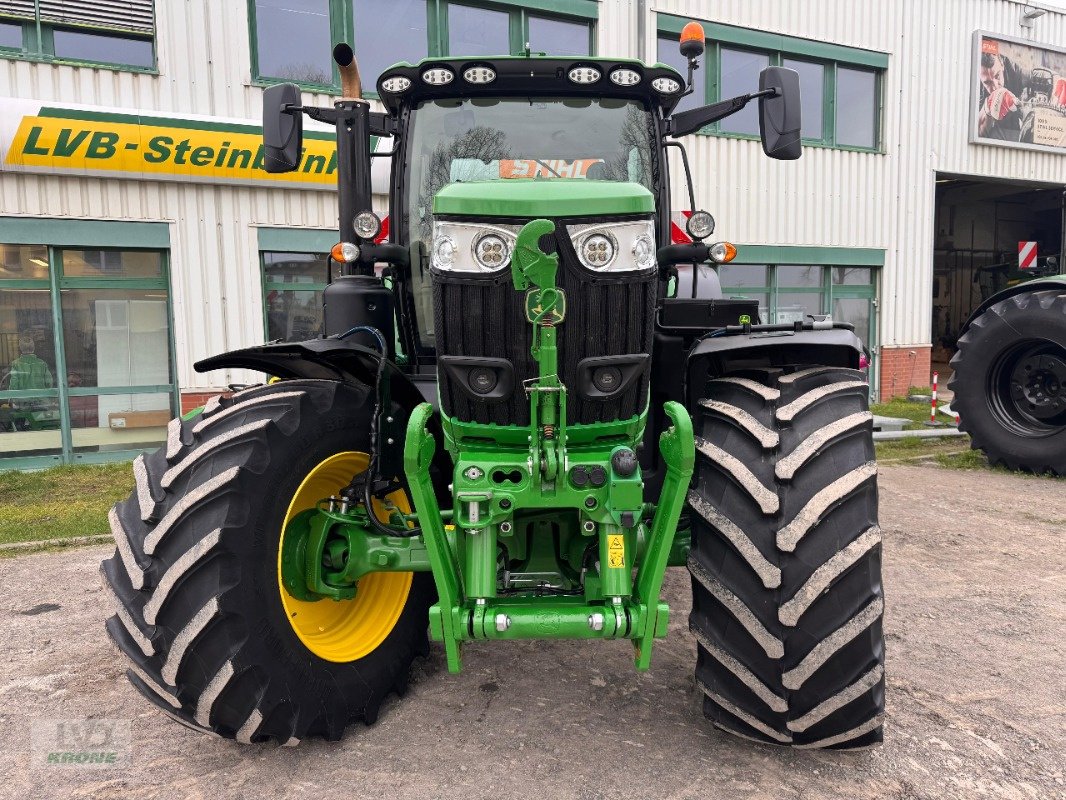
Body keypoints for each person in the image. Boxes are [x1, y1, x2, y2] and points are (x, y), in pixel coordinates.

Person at [978, 51, 1026, 141]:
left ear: (1002, 64)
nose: (995, 86)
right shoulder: (974, 87)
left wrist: (1056, 80)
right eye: (987, 82)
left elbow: (1043, 75)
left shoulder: (1014, 70)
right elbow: (977, 134)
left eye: (997, 76)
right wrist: (988, 110)